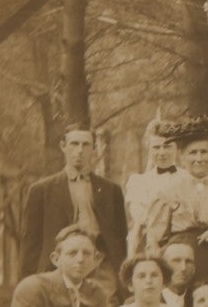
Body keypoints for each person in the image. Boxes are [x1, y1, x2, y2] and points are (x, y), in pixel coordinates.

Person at [19, 125, 128, 292]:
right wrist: (25, 287)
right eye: (74, 144)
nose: (79, 150)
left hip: (100, 265)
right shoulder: (41, 190)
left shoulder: (111, 190)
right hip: (57, 267)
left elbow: (120, 238)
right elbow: (30, 244)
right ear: (63, 146)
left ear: (94, 148)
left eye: (85, 145)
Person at [144, 116, 208, 290]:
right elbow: (154, 242)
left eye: (204, 152)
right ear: (182, 157)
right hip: (180, 269)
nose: (199, 158)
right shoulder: (167, 195)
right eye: (193, 153)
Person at [123, 120, 179, 258]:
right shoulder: (138, 182)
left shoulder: (187, 178)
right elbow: (140, 216)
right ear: (148, 147)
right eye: (156, 147)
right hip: (145, 244)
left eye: (167, 146)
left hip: (179, 244)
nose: (162, 152)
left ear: (177, 147)